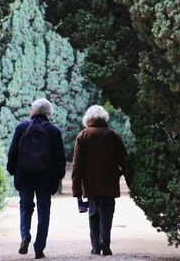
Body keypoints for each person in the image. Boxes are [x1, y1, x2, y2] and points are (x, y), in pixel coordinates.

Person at [7, 98, 66, 259]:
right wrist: (59, 176)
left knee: (26, 208)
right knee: (44, 212)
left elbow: (13, 152)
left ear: (33, 111)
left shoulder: (22, 127)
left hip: (25, 175)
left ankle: (25, 236)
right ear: (49, 112)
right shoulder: (53, 131)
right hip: (46, 178)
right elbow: (60, 158)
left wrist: (12, 170)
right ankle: (39, 248)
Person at [72, 105, 129, 256]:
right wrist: (127, 178)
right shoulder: (112, 135)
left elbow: (77, 165)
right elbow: (124, 160)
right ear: (104, 118)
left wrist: (77, 191)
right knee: (107, 211)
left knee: (93, 213)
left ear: (88, 119)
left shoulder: (83, 135)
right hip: (109, 182)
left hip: (90, 183)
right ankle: (105, 239)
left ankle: (96, 246)